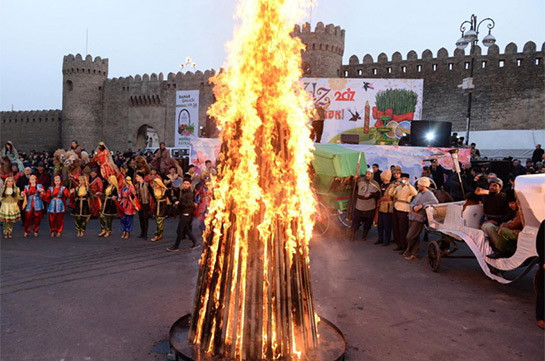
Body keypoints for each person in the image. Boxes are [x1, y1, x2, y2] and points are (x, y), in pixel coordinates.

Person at [404, 177, 438, 260]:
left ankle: (408, 251)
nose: (417, 185)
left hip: (419, 218)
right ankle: (414, 254)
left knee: (410, 236)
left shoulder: (429, 193)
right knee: (415, 236)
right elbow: (412, 203)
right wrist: (414, 206)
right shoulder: (419, 192)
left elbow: (435, 202)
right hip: (412, 216)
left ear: (423, 185)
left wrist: (422, 206)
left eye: (419, 184)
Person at [486, 190, 523, 259]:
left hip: (523, 235)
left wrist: (504, 225)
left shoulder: (521, 212)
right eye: (509, 203)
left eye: (512, 203)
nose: (510, 205)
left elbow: (514, 224)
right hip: (521, 232)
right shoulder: (515, 211)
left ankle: (501, 251)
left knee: (504, 231)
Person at [388, 172, 417, 252]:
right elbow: (391, 193)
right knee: (396, 227)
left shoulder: (410, 187)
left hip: (404, 208)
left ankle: (405, 246)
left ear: (408, 179)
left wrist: (408, 185)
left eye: (405, 179)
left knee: (403, 228)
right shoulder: (398, 187)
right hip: (396, 207)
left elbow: (415, 193)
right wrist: (394, 186)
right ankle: (399, 244)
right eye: (402, 178)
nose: (403, 180)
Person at [167, 178, 197, 251]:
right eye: (184, 183)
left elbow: (190, 204)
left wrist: (179, 203)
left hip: (186, 213)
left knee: (179, 230)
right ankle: (195, 242)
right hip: (183, 213)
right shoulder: (183, 191)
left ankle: (176, 246)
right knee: (186, 229)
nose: (185, 185)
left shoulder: (189, 193)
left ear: (190, 185)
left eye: (187, 184)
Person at [349, 170, 380, 241]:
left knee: (368, 222)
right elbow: (353, 188)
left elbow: (378, 195)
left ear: (372, 174)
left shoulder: (375, 184)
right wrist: (354, 180)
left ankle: (364, 235)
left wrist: (371, 194)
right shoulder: (360, 181)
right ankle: (353, 234)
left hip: (370, 206)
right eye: (366, 173)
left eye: (369, 174)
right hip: (359, 205)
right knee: (356, 221)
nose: (367, 175)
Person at [376, 170, 395, 246]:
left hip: (388, 207)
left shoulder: (392, 186)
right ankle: (380, 239)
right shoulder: (382, 185)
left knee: (387, 225)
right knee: (380, 224)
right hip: (381, 207)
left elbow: (392, 196)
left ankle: (387, 240)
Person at [150, 177, 170, 242]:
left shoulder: (165, 190)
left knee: (159, 221)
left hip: (162, 206)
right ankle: (160, 233)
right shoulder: (153, 189)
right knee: (158, 221)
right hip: (157, 206)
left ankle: (157, 235)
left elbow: (169, 198)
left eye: (156, 183)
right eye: (154, 183)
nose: (155, 184)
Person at [134, 172, 152, 240]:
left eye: (137, 177)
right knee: (141, 218)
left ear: (141, 177)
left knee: (145, 219)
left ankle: (145, 234)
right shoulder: (136, 185)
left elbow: (151, 192)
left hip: (146, 203)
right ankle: (142, 232)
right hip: (140, 203)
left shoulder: (147, 184)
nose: (136, 178)